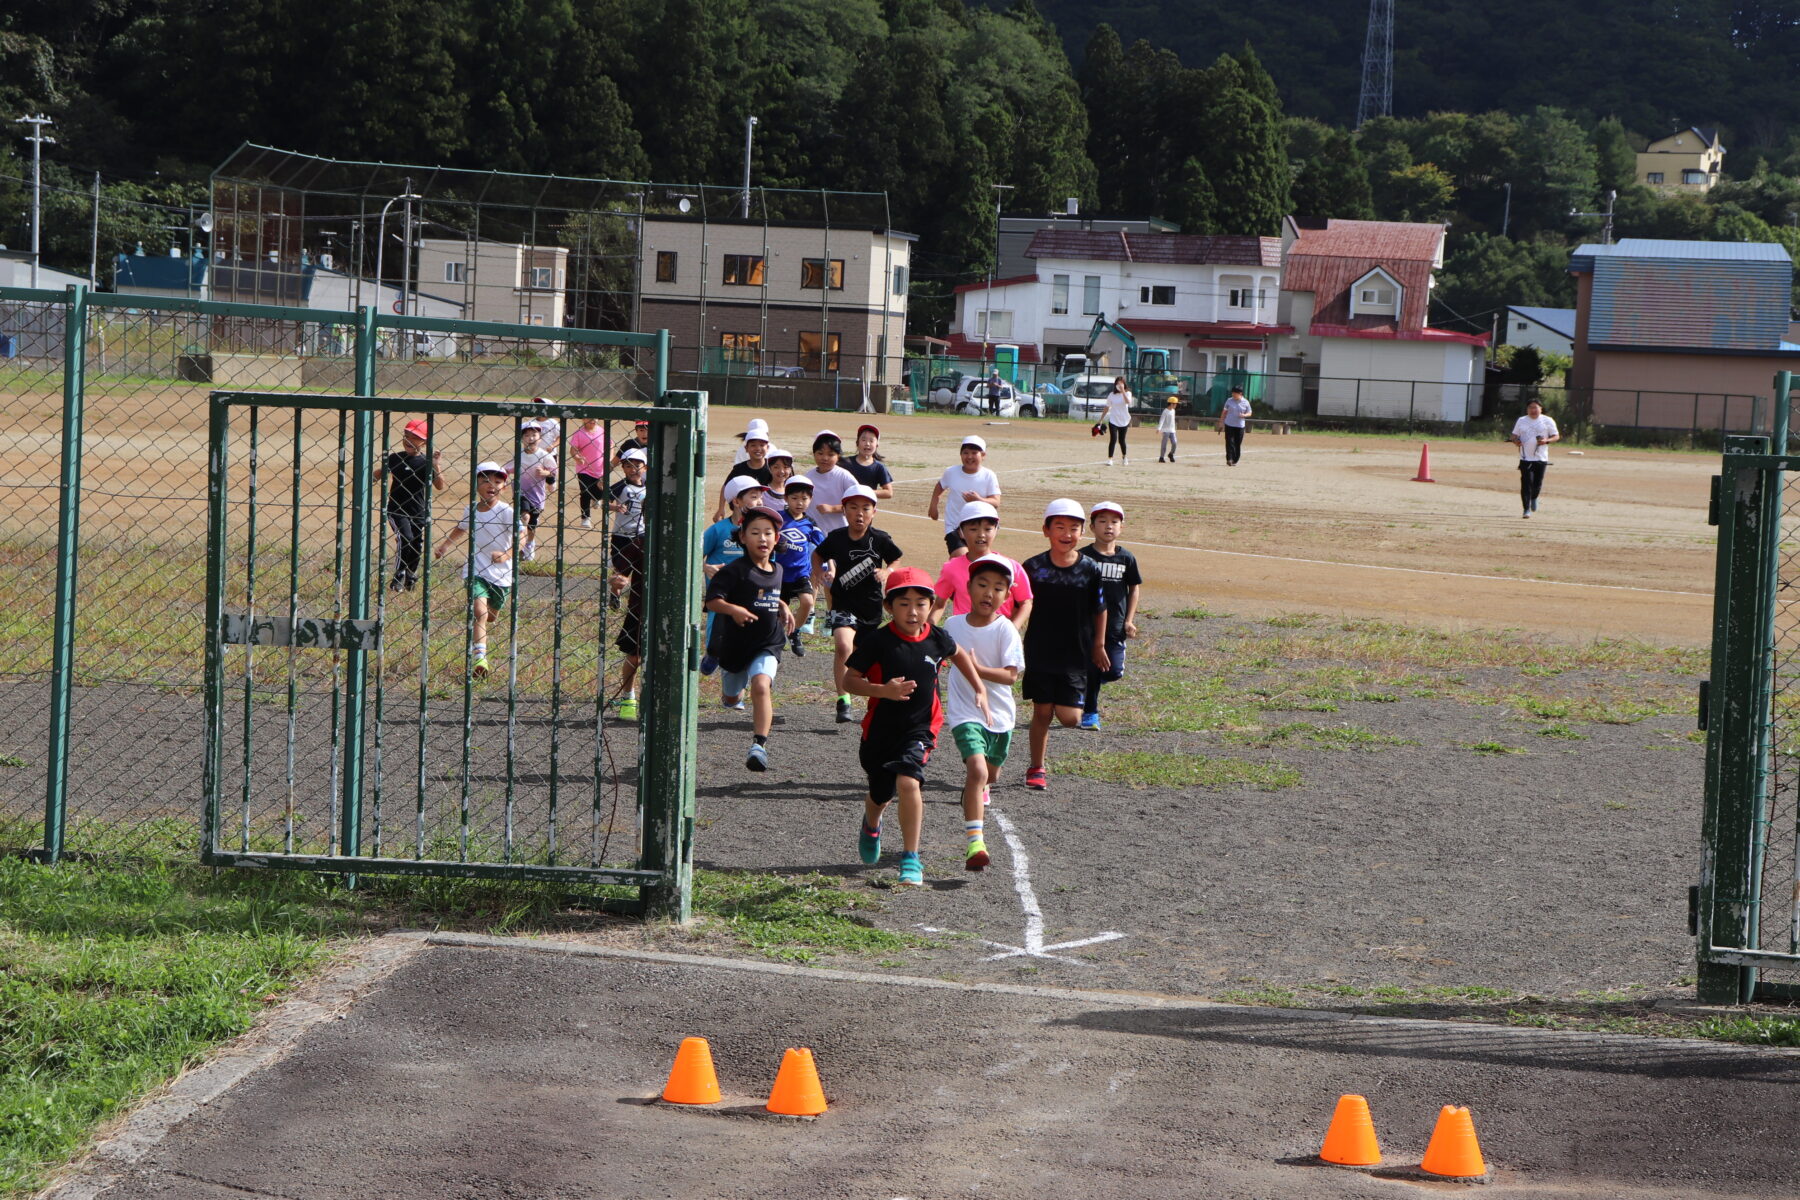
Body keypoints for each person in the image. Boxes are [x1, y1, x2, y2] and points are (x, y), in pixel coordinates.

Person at [845, 567, 990, 887]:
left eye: (921, 603)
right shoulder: (878, 641)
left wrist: (978, 687)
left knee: (909, 781)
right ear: (888, 607)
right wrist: (884, 690)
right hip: (880, 732)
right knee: (880, 793)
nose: (913, 611)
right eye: (904, 603)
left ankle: (910, 858)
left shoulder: (937, 638)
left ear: (932, 604)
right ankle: (872, 823)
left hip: (921, 728)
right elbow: (849, 680)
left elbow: (959, 654)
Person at [1019, 499, 1109, 790]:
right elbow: (1020, 604)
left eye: (1074, 528)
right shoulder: (1033, 567)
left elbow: (1100, 608)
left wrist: (1099, 644)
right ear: (1046, 530)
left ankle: (1042, 756)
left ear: (1083, 532)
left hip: (1075, 652)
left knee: (1070, 719)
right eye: (1059, 526)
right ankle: (1036, 767)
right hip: (1040, 649)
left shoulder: (1090, 568)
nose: (1067, 533)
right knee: (1042, 712)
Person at [944, 555, 1025, 871]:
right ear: (968, 588)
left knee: (990, 775)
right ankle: (975, 843)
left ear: (1007, 596)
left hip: (1000, 716)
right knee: (977, 772)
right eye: (982, 585)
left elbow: (1010, 676)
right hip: (965, 712)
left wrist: (977, 669)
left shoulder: (1006, 630)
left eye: (998, 588)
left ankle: (974, 792)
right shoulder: (952, 626)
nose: (989, 593)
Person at [703, 504, 793, 772]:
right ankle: (729, 690)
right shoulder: (734, 570)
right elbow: (713, 601)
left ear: (776, 538)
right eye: (755, 532)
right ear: (742, 537)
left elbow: (771, 596)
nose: (762, 538)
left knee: (762, 685)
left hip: (768, 642)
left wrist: (784, 606)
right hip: (735, 645)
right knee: (732, 697)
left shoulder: (777, 570)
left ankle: (759, 745)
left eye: (768, 532)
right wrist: (734, 609)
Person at [813, 484, 902, 724]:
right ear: (844, 511)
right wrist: (818, 574)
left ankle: (877, 701)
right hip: (842, 604)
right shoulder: (836, 538)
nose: (859, 513)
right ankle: (843, 700)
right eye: (853, 507)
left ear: (874, 512)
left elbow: (895, 558)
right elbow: (818, 555)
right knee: (844, 646)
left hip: (871, 608)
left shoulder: (880, 539)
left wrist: (888, 571)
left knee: (870, 660)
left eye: (865, 508)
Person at [432, 461, 521, 681]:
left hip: (501, 573)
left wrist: (506, 555)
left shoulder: (506, 512)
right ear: (476, 484)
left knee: (491, 615)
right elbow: (462, 527)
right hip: (476, 568)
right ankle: (480, 658)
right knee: (479, 613)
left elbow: (521, 537)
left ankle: (486, 627)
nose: (491, 485)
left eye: (497, 481)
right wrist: (445, 545)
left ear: (504, 487)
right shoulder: (470, 509)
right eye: (485, 480)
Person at [1078, 501, 1141, 731]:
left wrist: (1129, 620)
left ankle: (1085, 683)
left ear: (1121, 527)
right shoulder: (1083, 557)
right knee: (1094, 668)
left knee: (1113, 671)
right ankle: (1090, 713)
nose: (1108, 526)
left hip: (1115, 625)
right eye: (1102, 521)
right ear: (1092, 527)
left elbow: (1133, 588)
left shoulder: (1126, 558)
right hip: (1088, 626)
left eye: (1114, 522)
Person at [699, 475, 768, 675]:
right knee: (717, 632)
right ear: (736, 501)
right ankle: (713, 653)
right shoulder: (719, 529)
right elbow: (693, 553)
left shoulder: (762, 531)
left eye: (760, 497)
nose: (759, 501)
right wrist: (705, 567)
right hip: (722, 595)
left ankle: (738, 683)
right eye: (753, 496)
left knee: (749, 635)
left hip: (750, 591)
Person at [931, 501, 1032, 629]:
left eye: (988, 529)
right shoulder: (951, 568)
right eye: (973, 529)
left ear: (996, 530)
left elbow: (1025, 603)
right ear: (961, 532)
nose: (981, 534)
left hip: (998, 637)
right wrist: (930, 634)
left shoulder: (1011, 567)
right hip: (963, 637)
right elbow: (939, 604)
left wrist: (1012, 629)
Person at [375, 417, 444, 592]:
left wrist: (436, 466)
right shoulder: (395, 458)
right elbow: (377, 474)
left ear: (424, 441)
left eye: (415, 438)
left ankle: (411, 574)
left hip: (418, 511)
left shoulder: (426, 462)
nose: (409, 441)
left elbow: (440, 485)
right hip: (396, 509)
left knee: (416, 543)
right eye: (407, 436)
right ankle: (399, 573)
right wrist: (372, 476)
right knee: (405, 537)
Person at [927, 435, 1002, 557]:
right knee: (961, 556)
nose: (969, 457)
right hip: (954, 526)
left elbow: (996, 502)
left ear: (983, 455)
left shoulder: (989, 476)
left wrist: (979, 500)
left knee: (975, 559)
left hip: (978, 528)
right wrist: (933, 506)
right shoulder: (951, 472)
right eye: (965, 453)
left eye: (974, 453)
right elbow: (940, 486)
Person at [775, 477, 825, 656]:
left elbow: (824, 548)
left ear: (810, 500)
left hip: (800, 574)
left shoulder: (810, 524)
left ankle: (794, 631)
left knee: (808, 602)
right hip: (778, 574)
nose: (799, 502)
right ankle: (775, 639)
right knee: (776, 613)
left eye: (804, 499)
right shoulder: (777, 519)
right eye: (794, 498)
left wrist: (829, 567)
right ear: (786, 498)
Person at [508, 422, 557, 563]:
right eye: (527, 435)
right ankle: (520, 544)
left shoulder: (545, 456)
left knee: (532, 525)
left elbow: (554, 473)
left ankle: (529, 543)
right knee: (525, 517)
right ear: (522, 439)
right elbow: (508, 469)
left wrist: (545, 472)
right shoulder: (519, 455)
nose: (530, 438)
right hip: (521, 492)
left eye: (534, 435)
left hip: (537, 495)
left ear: (539, 438)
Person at [608, 448, 648, 612]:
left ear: (644, 468)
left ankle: (638, 601)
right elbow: (601, 503)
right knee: (621, 573)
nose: (633, 470)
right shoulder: (620, 487)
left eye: (637, 466)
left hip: (641, 535)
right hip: (621, 535)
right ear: (623, 468)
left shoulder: (648, 487)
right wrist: (615, 507)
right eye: (628, 466)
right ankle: (615, 594)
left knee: (641, 569)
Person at [1510, 398, 1560, 518]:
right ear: (1527, 409)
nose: (1533, 410)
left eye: (1535, 407)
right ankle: (1526, 509)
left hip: (1541, 458)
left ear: (1540, 409)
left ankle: (1534, 497)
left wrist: (1546, 440)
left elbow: (1556, 436)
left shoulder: (1547, 420)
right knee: (1526, 483)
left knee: (1537, 484)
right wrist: (1516, 441)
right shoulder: (1522, 420)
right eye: (1530, 407)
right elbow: (1513, 435)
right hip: (1525, 458)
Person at [804, 430, 861, 534]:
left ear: (838, 456)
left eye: (830, 454)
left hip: (840, 533)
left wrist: (833, 508)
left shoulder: (844, 476)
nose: (825, 458)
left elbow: (858, 503)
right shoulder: (808, 478)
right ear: (814, 454)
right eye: (820, 453)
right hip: (813, 534)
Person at [715, 419, 773, 520]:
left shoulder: (772, 467)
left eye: (761, 445)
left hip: (766, 513)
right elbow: (726, 486)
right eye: (753, 445)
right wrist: (721, 508)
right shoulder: (740, 468)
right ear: (746, 448)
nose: (758, 448)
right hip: (744, 512)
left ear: (768, 447)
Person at [568, 413, 608, 529]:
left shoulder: (602, 431)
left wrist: (609, 459)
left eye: (594, 417)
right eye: (589, 417)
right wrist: (577, 458)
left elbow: (610, 446)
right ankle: (586, 518)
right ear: (583, 419)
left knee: (600, 490)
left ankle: (596, 498)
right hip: (584, 469)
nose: (592, 420)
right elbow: (573, 449)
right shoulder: (579, 433)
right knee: (585, 492)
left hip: (600, 468)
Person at [843, 424, 895, 499]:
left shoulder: (879, 467)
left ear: (877, 445)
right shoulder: (846, 463)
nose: (867, 444)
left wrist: (865, 491)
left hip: (867, 508)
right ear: (857, 443)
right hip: (848, 507)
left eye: (871, 441)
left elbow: (889, 492)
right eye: (863, 440)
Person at [1218, 385, 1251, 466]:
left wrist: (1244, 415)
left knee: (1237, 443)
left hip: (1240, 426)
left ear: (1240, 393)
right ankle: (1229, 459)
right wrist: (1221, 422)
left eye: (1235, 393)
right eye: (1232, 393)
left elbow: (1250, 413)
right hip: (1229, 424)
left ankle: (1235, 460)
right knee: (1229, 441)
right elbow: (1224, 412)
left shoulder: (1246, 402)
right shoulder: (1229, 400)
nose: (1233, 395)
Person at [1104, 377, 1134, 465]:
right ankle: (1110, 459)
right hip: (1113, 420)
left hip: (1124, 420)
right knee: (1113, 439)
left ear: (1124, 384)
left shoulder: (1128, 393)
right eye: (1118, 383)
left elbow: (1128, 402)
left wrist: (1123, 391)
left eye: (1121, 383)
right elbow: (1107, 407)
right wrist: (1101, 419)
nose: (1119, 385)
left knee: (1122, 440)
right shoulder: (1111, 395)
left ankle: (1124, 457)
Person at [1157, 396, 1179, 463]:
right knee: (1164, 444)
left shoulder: (1173, 411)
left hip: (1172, 430)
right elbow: (1162, 420)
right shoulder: (1165, 411)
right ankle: (1161, 457)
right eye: (1175, 404)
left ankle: (1171, 454)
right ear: (1171, 404)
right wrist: (1159, 428)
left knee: (1174, 443)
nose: (1176, 405)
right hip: (1165, 430)